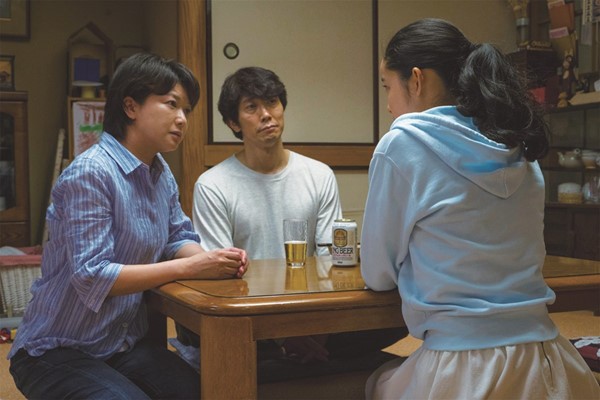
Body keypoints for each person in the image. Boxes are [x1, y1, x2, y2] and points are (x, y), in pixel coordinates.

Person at [360, 18, 600, 399]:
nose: (389, 105)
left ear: (416, 80)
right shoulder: (517, 144)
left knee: (373, 381)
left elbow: (377, 274)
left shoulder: (402, 144)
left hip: (460, 366)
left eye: (388, 87)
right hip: (544, 360)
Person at [8, 53, 249, 399]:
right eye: (172, 104)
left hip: (119, 344)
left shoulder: (159, 170)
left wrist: (214, 262)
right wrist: (192, 266)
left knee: (207, 390)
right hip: (56, 349)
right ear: (131, 106)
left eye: (187, 110)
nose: (182, 119)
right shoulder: (91, 172)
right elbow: (93, 276)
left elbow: (177, 237)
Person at [173, 66, 406, 382]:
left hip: (311, 314)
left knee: (399, 313)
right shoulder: (214, 184)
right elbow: (222, 277)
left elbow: (331, 261)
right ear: (233, 123)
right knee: (209, 331)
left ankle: (298, 354)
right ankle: (299, 355)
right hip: (249, 318)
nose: (266, 115)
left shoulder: (318, 175)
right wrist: (282, 334)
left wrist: (314, 329)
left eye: (272, 102)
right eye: (252, 107)